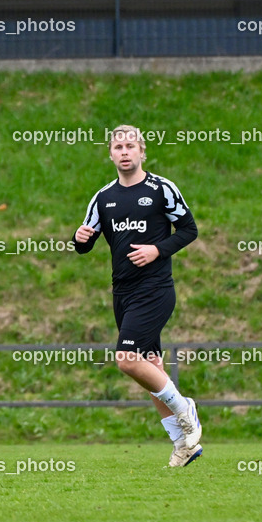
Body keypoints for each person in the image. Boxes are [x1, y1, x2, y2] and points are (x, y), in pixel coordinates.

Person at [72, 124, 202, 467]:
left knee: (127, 359)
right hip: (123, 292)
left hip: (155, 289)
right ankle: (183, 443)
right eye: (118, 147)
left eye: (131, 146)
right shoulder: (103, 198)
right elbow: (84, 244)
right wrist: (79, 238)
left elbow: (189, 229)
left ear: (142, 151)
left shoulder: (161, 189)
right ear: (111, 154)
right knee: (151, 365)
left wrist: (158, 250)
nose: (125, 152)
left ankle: (184, 408)